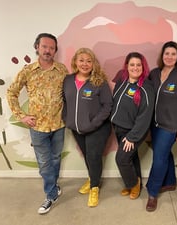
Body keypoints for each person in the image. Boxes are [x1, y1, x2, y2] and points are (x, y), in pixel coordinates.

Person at [7, 33, 68, 214]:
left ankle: (53, 187)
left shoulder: (62, 70)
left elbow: (70, 92)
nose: (48, 50)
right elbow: (11, 93)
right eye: (44, 47)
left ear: (55, 50)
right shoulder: (27, 71)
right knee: (44, 162)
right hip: (38, 127)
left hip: (58, 125)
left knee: (56, 158)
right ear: (37, 47)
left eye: (51, 48)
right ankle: (50, 195)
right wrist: (22, 116)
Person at [146, 41, 177, 212]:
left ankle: (152, 193)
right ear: (162, 56)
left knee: (159, 158)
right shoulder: (154, 73)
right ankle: (169, 182)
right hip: (154, 124)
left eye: (173, 54)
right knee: (164, 154)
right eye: (167, 53)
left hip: (171, 126)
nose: (169, 57)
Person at [62, 48, 112, 207]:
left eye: (88, 61)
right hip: (76, 128)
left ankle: (95, 187)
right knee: (86, 155)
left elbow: (107, 105)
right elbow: (64, 101)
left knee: (94, 157)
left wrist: (93, 124)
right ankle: (92, 178)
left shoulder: (99, 81)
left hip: (97, 128)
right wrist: (67, 119)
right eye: (81, 60)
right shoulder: (68, 80)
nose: (85, 64)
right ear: (75, 62)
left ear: (93, 63)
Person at [111, 52, 155, 200]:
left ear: (143, 67)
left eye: (138, 65)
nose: (135, 67)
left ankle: (133, 184)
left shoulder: (146, 88)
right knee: (131, 157)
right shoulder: (121, 81)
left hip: (134, 131)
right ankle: (134, 184)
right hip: (118, 127)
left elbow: (145, 116)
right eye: (132, 64)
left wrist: (132, 137)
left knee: (122, 159)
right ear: (127, 66)